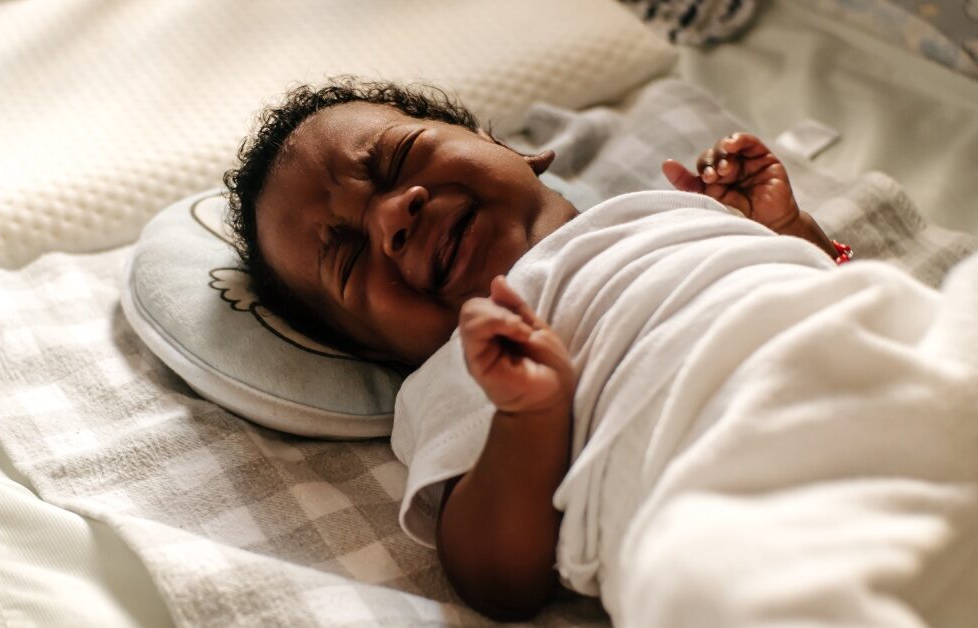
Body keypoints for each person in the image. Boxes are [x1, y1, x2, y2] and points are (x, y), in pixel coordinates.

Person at [223, 80, 978, 625]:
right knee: (696, 583)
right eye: (348, 258)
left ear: (503, 144)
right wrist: (530, 417)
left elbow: (827, 289)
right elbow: (495, 579)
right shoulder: (461, 371)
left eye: (399, 162)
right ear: (373, 349)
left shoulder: (669, 208)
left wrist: (792, 235)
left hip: (895, 372)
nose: (392, 216)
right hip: (736, 489)